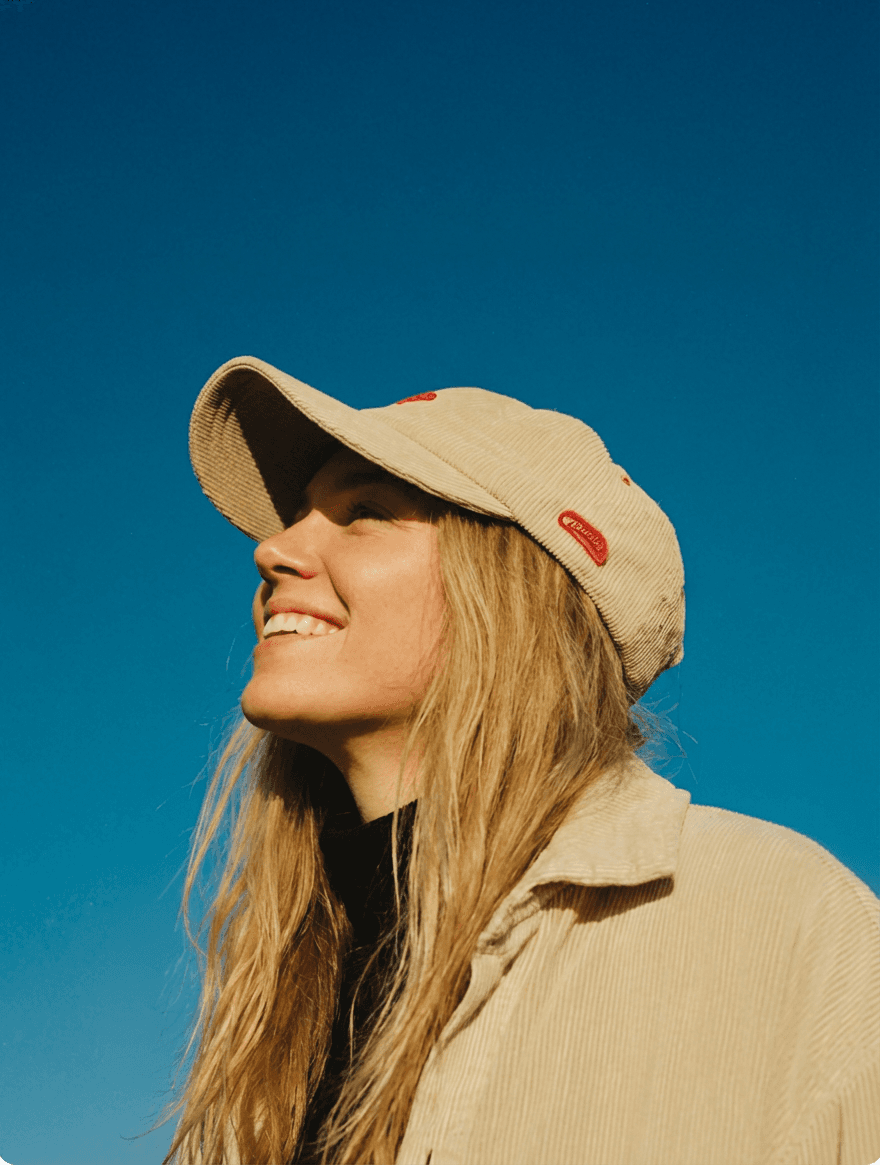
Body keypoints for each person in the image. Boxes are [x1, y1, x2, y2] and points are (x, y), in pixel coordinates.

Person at [157, 356, 880, 1165]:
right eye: (296, 515)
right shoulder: (271, 1015)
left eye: (365, 511)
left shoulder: (787, 930)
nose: (275, 550)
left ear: (514, 590)